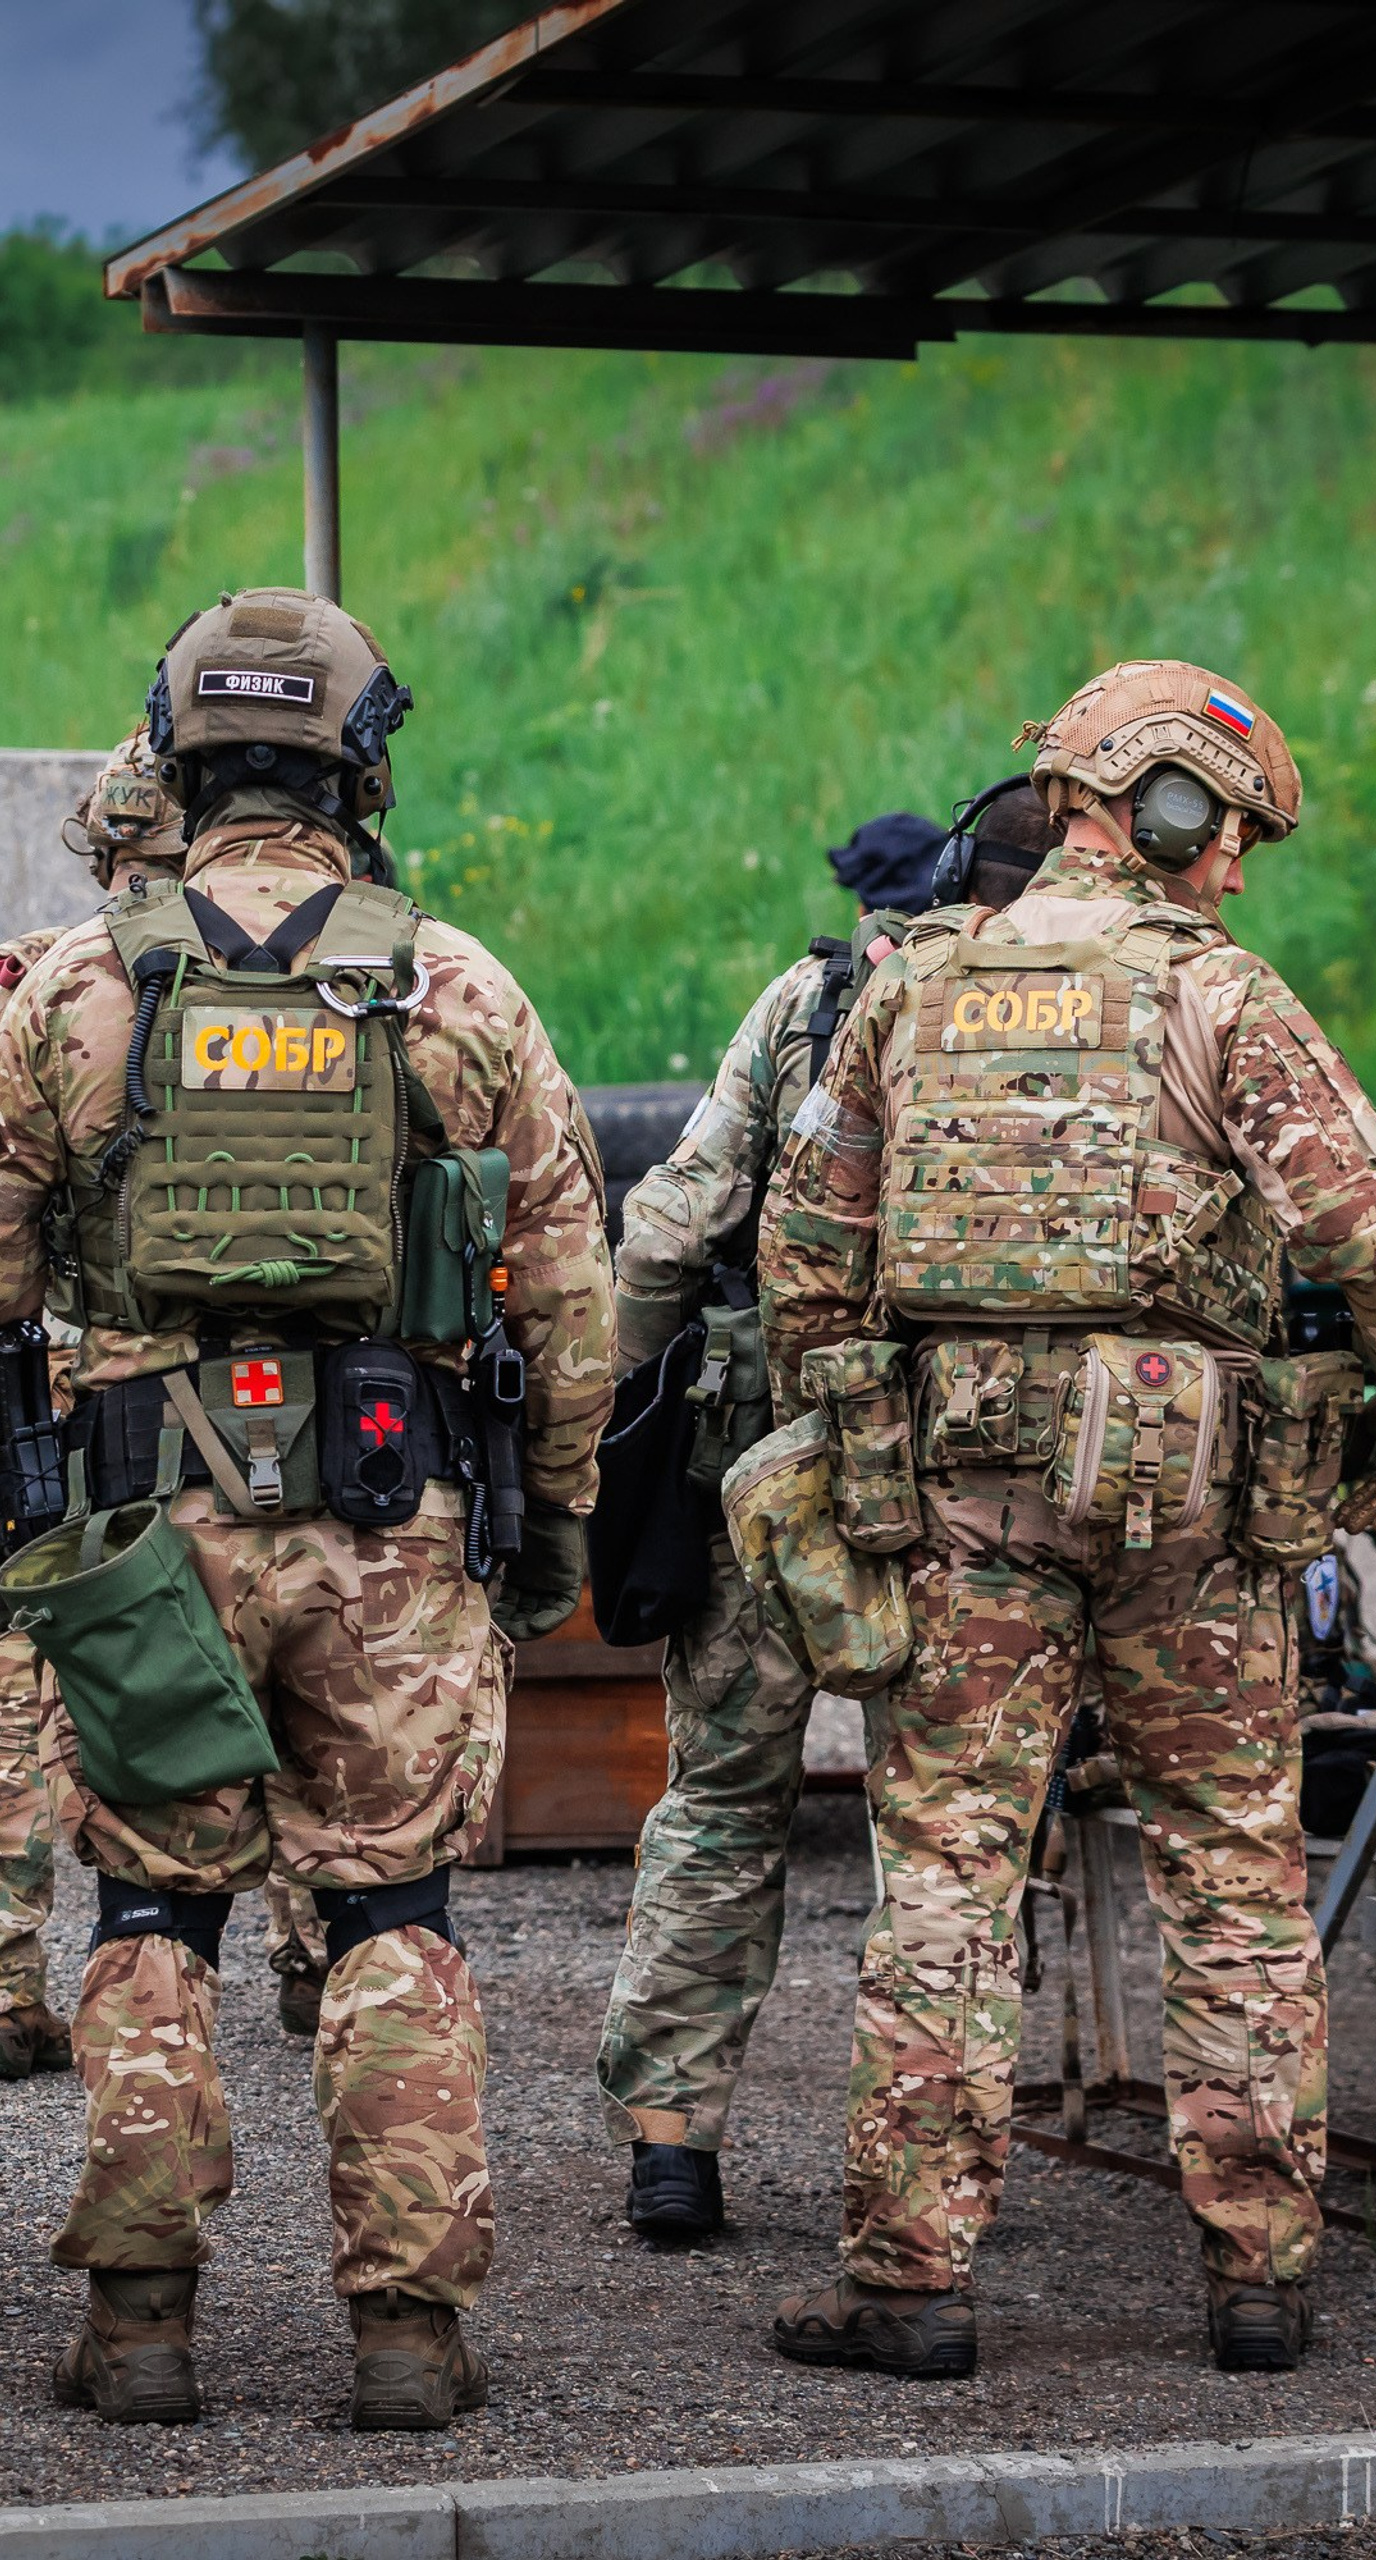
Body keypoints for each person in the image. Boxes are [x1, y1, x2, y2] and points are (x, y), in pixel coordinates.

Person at [0, 588, 613, 2431]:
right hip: (393, 1524)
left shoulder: (77, 988)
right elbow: (572, 1295)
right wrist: (553, 1518)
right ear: (359, 761)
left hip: (148, 1528)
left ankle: (141, 2323)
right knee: (394, 1914)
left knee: (153, 1909)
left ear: (180, 758)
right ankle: (408, 2336)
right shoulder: (453, 986)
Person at [758, 661, 1376, 2379]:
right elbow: (1362, 1231)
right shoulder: (1227, 1001)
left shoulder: (911, 989)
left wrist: (865, 1444)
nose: (1237, 868)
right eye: (1226, 828)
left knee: (948, 1875)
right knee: (1237, 1874)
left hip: (966, 1502)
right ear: (1154, 802)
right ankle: (1259, 2275)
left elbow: (807, 1251)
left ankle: (912, 2281)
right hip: (1196, 1510)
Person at [598, 790, 1058, 2242]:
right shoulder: (1096, 1013)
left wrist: (627, 1410)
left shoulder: (822, 996)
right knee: (948, 1838)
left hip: (776, 1470)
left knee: (725, 1804)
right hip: (978, 1487)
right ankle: (934, 2171)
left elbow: (672, 1226)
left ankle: (674, 2140)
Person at [0, 734, 330, 2078]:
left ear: (106, 851)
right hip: (303, 1393)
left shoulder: (51, 987)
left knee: (24, 1677)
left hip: (96, 1398)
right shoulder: (338, 964)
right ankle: (320, 1950)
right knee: (301, 1649)